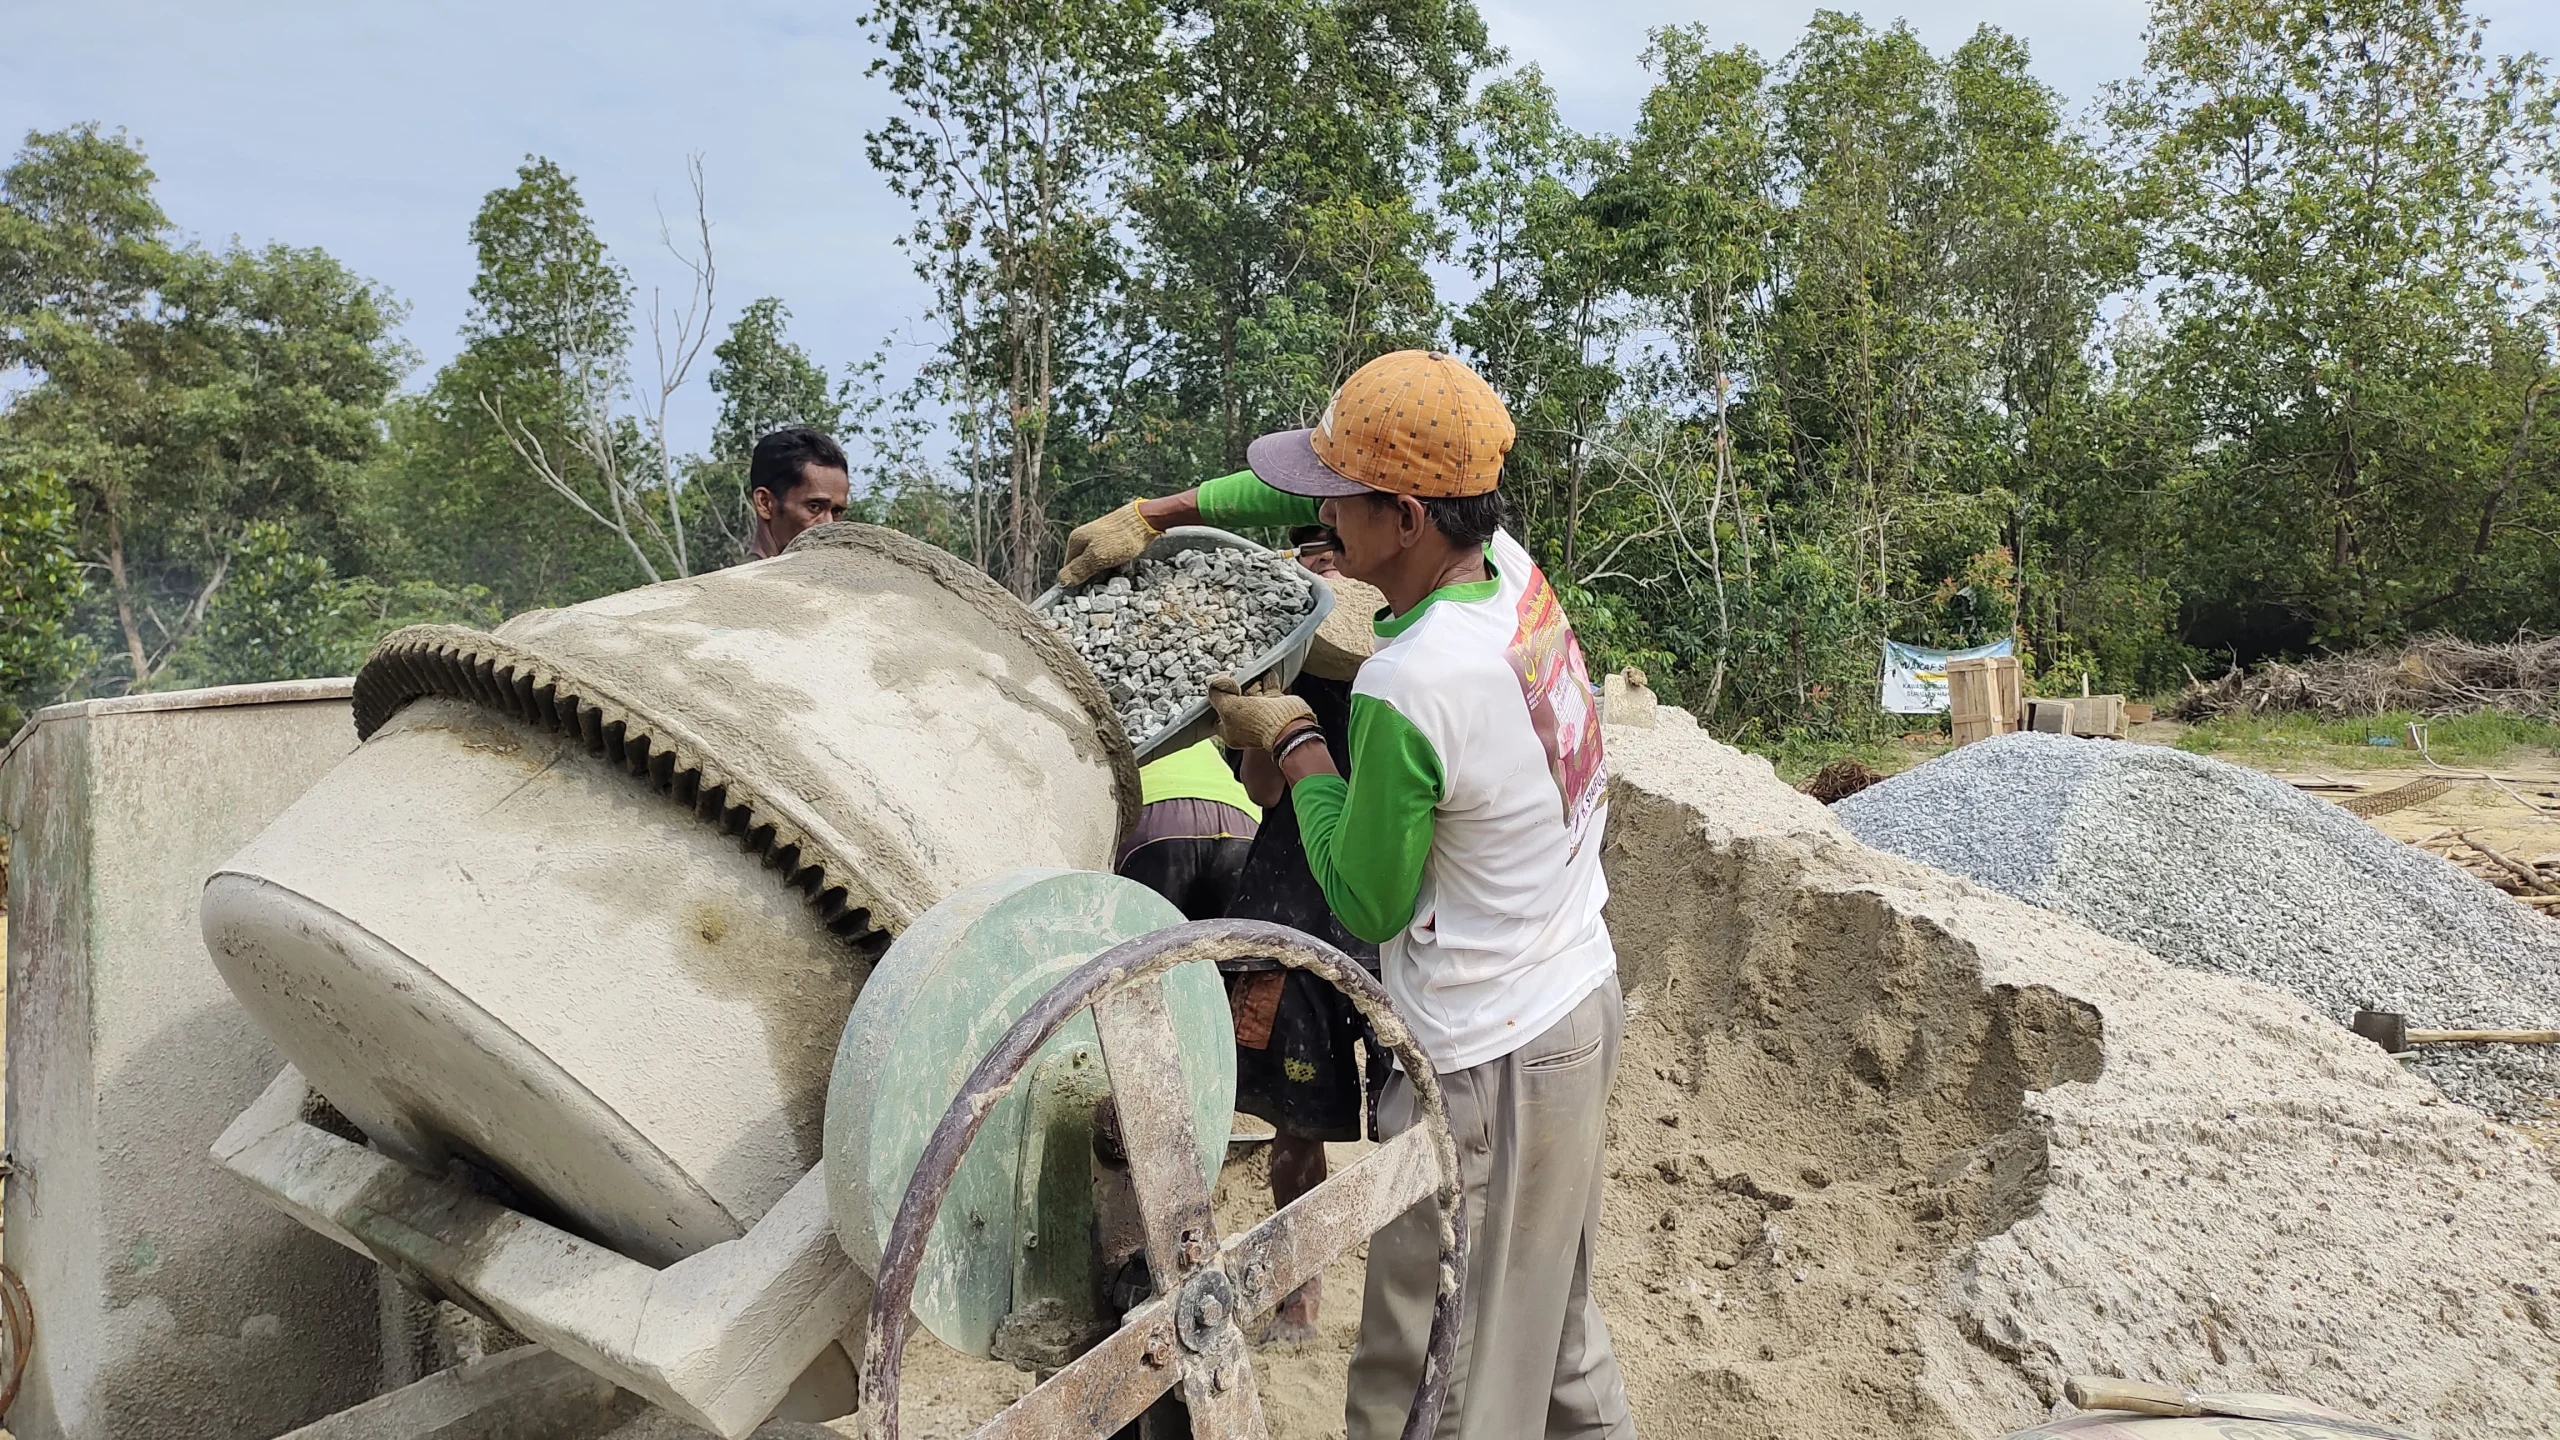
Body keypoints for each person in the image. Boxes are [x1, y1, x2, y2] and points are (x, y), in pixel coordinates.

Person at [1058, 350, 1633, 1440]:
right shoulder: (1505, 571)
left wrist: (1299, 740)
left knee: (1426, 1380)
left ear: (1405, 517)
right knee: (1554, 1335)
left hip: (1483, 1062)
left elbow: (1367, 903)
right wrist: (1162, 509)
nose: (1318, 523)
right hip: (1571, 997)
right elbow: (1305, 483)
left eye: (1342, 506)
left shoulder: (1408, 683)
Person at [1221, 524, 1383, 1346]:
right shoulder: (1290, 672)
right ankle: (1300, 1294)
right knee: (1293, 1123)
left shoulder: (1401, 668)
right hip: (1288, 914)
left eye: (1332, 559)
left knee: (1412, 1121)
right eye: (1308, 564)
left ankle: (1410, 1287)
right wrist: (1271, 699)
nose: (1323, 574)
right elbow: (1264, 793)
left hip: (1379, 924)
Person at [1116, 737, 1260, 921]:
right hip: (1241, 823)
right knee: (1233, 943)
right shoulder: (1198, 738)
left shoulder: (1121, 737)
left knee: (1146, 938)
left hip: (1162, 821)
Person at [746, 426, 851, 559]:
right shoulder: (735, 579)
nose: (829, 525)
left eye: (836, 512)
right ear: (765, 503)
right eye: (814, 507)